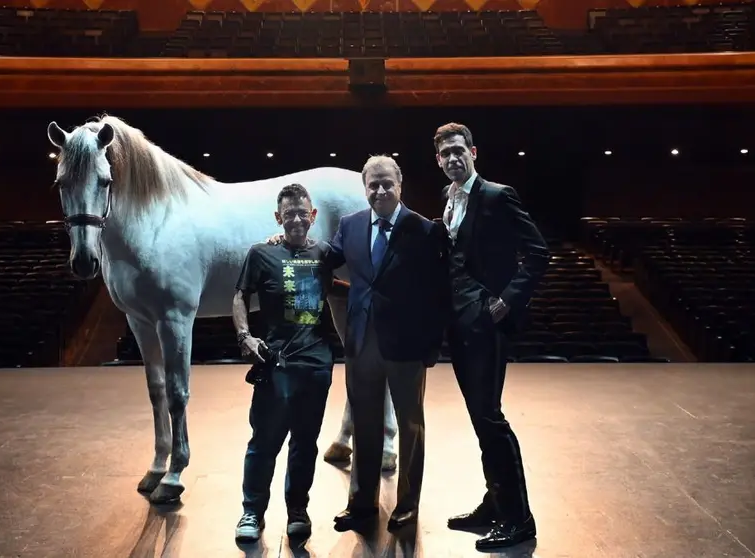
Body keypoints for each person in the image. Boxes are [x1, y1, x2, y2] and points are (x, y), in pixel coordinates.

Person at [308, 155, 449, 532]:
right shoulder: (350, 225)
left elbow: (438, 293)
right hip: (360, 344)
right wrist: (289, 243)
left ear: (399, 185)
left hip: (407, 346)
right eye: (373, 184)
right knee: (366, 424)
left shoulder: (423, 229)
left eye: (387, 183)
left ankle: (407, 505)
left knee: (410, 426)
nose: (380, 190)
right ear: (365, 189)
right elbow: (324, 262)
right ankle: (361, 502)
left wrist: (432, 346)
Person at [433, 123, 550, 551]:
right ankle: (495, 503)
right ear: (438, 160)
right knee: (481, 419)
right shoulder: (448, 201)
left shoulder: (499, 195)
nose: (452, 159)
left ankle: (519, 519)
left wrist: (507, 301)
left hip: (487, 321)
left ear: (473, 152)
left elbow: (538, 252)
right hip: (460, 324)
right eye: (444, 154)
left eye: (458, 150)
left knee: (490, 419)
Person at [231, 183, 336, 544]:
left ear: (313, 216)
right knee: (265, 442)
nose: (295, 220)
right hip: (275, 366)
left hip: (317, 365)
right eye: (288, 214)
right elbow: (240, 296)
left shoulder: (324, 252)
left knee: (305, 444)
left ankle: (297, 511)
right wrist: (245, 336)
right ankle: (252, 511)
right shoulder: (261, 253)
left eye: (301, 213)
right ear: (278, 218)